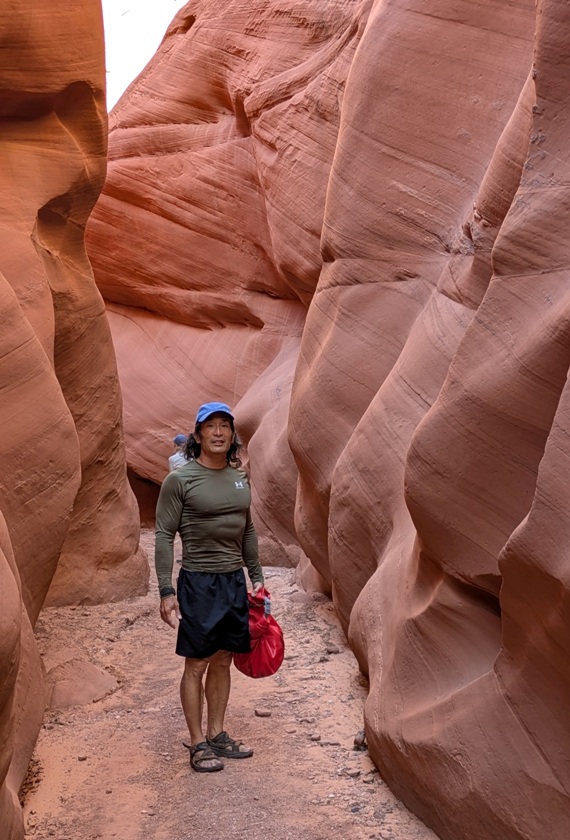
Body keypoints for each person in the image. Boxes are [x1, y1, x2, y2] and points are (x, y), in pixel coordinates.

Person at [155, 402, 264, 773]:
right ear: (198, 434)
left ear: (232, 436)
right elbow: (164, 535)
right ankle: (198, 742)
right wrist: (166, 591)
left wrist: (257, 575)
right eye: (210, 426)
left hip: (233, 579)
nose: (218, 432)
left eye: (225, 427)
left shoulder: (239, 477)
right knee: (198, 662)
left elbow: (247, 529)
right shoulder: (181, 480)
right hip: (199, 581)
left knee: (223, 659)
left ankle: (218, 734)